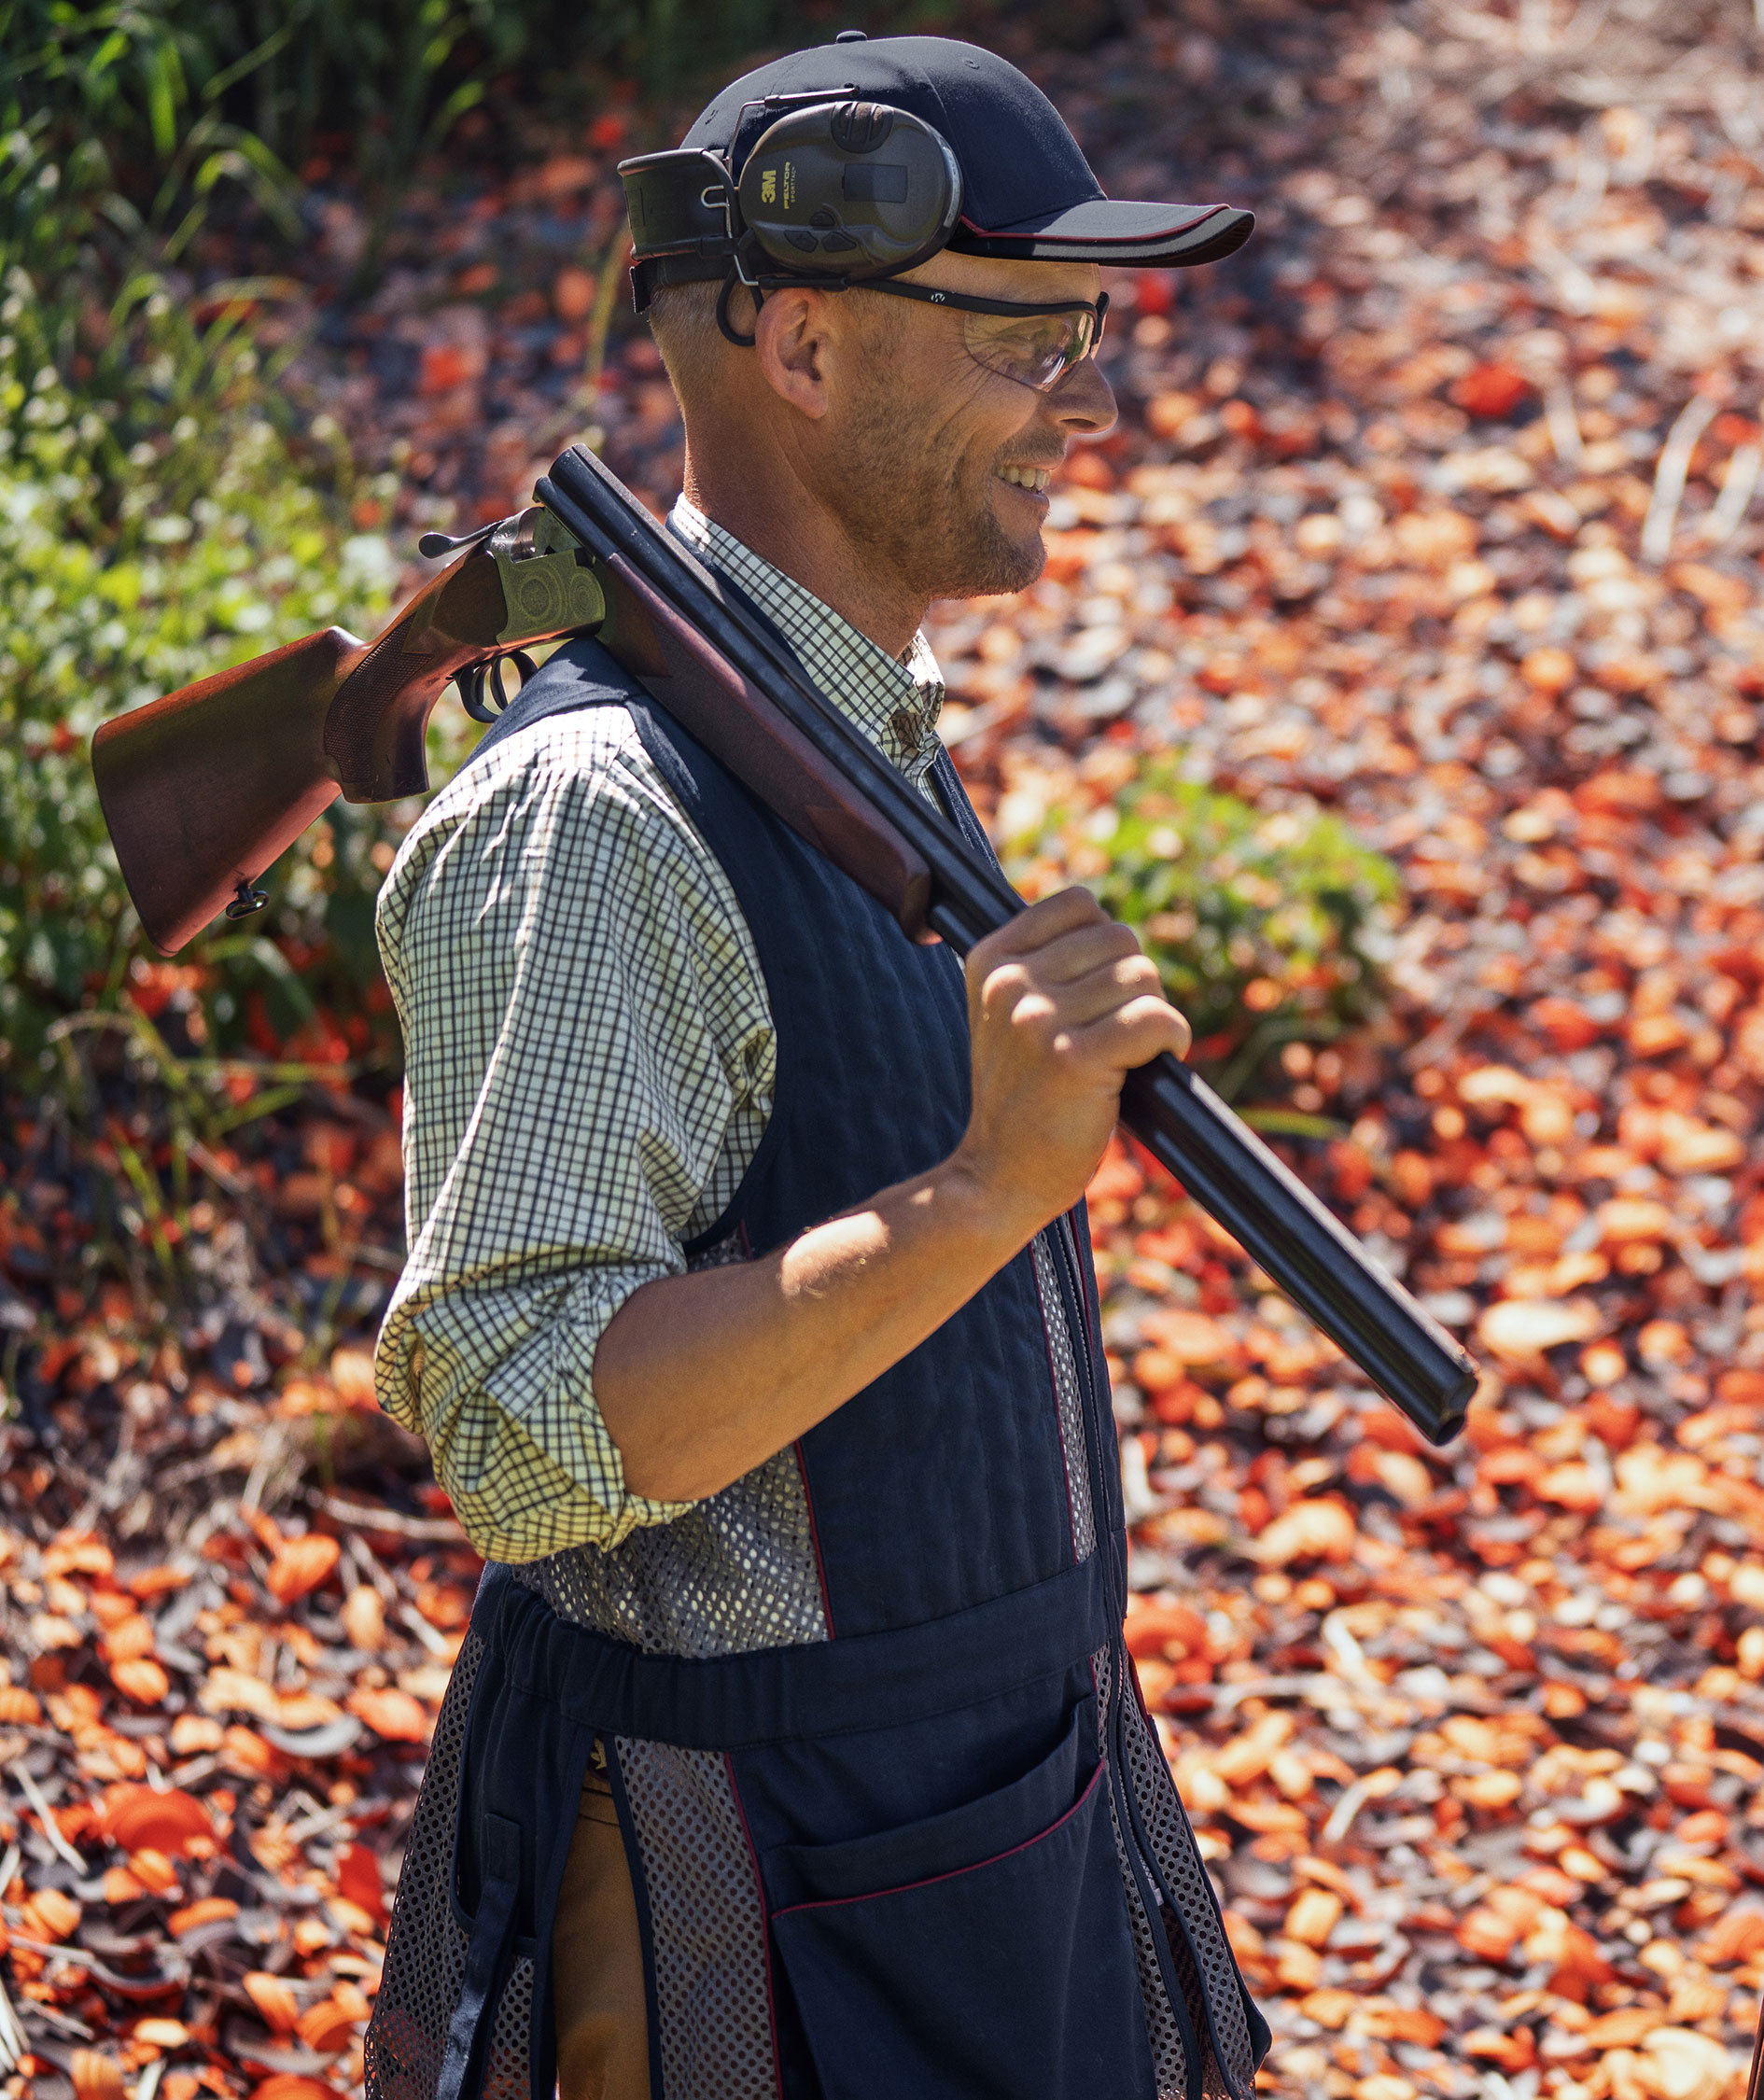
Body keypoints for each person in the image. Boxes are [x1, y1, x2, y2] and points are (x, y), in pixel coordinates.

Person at [363, 31, 1268, 2100]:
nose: (1093, 397)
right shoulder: (595, 813)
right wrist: (981, 1193)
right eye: (1026, 335)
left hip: (980, 1835)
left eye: (1092, 328)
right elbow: (516, 1433)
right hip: (761, 1925)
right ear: (797, 343)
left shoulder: (851, 725)